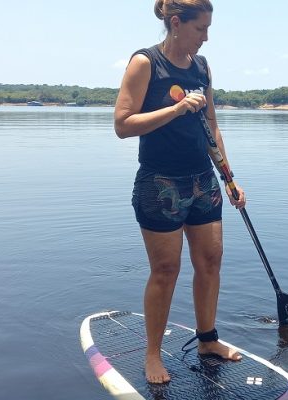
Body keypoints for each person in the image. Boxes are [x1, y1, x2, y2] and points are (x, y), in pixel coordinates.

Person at [114, 0, 246, 385]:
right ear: (176, 23)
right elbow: (123, 124)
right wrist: (175, 110)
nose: (205, 38)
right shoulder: (146, 63)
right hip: (160, 183)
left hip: (202, 181)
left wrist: (229, 177)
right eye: (199, 29)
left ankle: (208, 340)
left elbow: (212, 127)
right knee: (166, 270)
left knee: (210, 260)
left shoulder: (202, 67)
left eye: (207, 30)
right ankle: (152, 356)